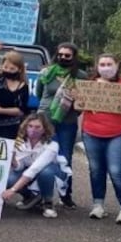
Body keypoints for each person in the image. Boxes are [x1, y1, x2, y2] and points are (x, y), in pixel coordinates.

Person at [79, 53, 121, 225]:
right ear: (97, 67)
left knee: (116, 171)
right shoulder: (89, 85)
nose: (106, 67)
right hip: (91, 132)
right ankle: (98, 204)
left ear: (117, 65)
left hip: (119, 133)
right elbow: (80, 106)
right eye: (102, 64)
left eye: (109, 64)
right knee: (96, 169)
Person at [36, 42, 85, 209]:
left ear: (74, 57)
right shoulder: (46, 73)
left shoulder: (81, 76)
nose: (63, 57)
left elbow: (83, 101)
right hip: (45, 120)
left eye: (67, 55)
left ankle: (66, 195)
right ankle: (40, 194)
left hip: (67, 121)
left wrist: (74, 110)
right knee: (41, 156)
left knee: (65, 158)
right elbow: (39, 93)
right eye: (60, 54)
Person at [1, 114, 67, 219]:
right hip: (29, 172)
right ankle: (31, 197)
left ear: (44, 129)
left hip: (50, 173)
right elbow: (19, 167)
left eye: (37, 127)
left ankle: (48, 202)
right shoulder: (20, 142)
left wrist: (12, 190)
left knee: (46, 172)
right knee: (10, 179)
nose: (33, 130)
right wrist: (13, 159)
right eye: (30, 126)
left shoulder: (52, 145)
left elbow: (35, 169)